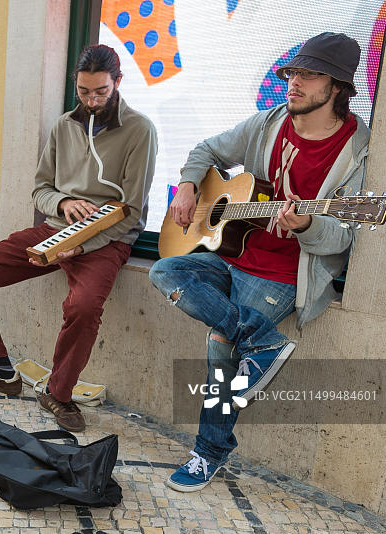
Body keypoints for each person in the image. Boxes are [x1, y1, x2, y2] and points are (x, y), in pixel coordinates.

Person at [149, 33, 369, 491]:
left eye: (309, 75)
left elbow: (343, 237)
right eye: (292, 72)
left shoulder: (356, 152)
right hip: (235, 256)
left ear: (339, 87)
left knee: (219, 344)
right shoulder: (268, 123)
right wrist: (189, 185)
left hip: (286, 273)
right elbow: (205, 151)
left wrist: (307, 225)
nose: (294, 83)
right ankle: (262, 343)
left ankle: (206, 454)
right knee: (164, 268)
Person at [0, 45, 157, 432]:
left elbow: (131, 208)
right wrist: (62, 203)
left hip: (107, 241)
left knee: (83, 307)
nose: (91, 102)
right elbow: (40, 189)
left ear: (118, 83)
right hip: (55, 230)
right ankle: (0, 371)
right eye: (83, 92)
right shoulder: (64, 126)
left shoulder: (140, 130)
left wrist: (83, 243)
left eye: (100, 92)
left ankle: (58, 394)